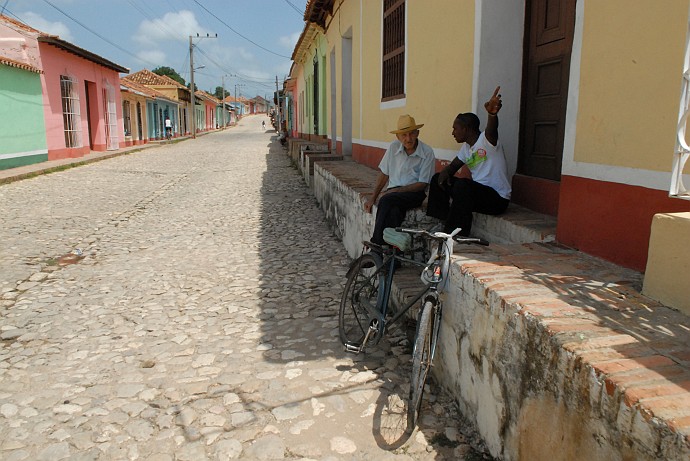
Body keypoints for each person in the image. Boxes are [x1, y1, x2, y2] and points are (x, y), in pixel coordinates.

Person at [426, 86, 511, 236]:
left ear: (466, 128)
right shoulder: (466, 148)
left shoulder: (487, 140)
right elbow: (452, 167)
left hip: (497, 199)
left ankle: (455, 234)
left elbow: (492, 129)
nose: (453, 133)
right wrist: (444, 175)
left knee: (463, 186)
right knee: (437, 178)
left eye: (455, 128)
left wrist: (492, 114)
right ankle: (440, 221)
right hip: (476, 195)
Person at [364, 114, 436, 246]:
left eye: (411, 134)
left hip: (414, 194)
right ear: (398, 137)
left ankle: (376, 245)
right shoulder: (393, 147)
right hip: (394, 194)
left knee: (386, 199)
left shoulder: (427, 152)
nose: (408, 139)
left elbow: (423, 183)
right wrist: (372, 198)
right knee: (394, 213)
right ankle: (392, 258)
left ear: (417, 133)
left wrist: (396, 190)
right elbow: (384, 174)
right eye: (404, 135)